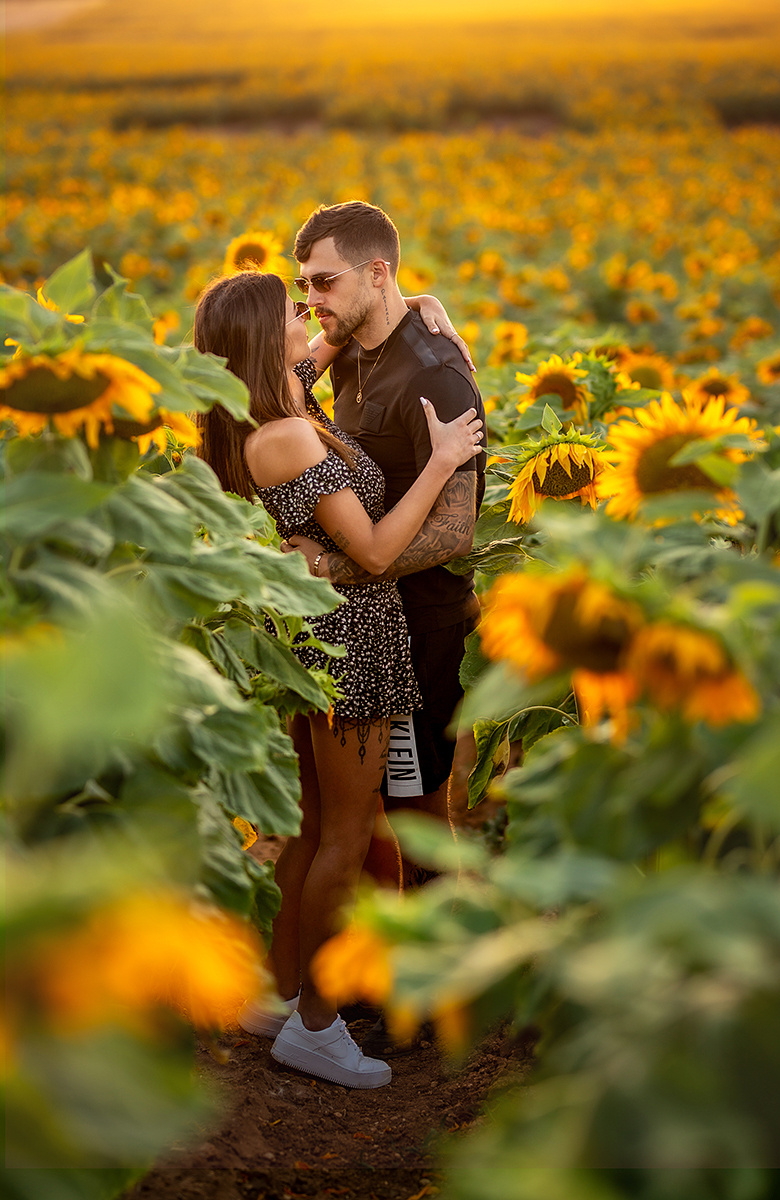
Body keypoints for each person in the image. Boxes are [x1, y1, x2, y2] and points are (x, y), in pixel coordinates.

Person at [193, 269, 483, 1089]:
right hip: (347, 646)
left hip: (318, 639)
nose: (308, 314)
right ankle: (317, 1025)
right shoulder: (285, 435)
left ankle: (283, 992)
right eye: (293, 309)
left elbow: (330, 338)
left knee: (317, 829)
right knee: (346, 835)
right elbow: (379, 552)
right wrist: (445, 459)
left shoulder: (275, 406)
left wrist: (429, 310)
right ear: (261, 339)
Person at [284, 202, 487, 1056]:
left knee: (420, 807)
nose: (311, 302)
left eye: (324, 283)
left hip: (422, 623)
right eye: (302, 288)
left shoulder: (434, 376)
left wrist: (341, 565)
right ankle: (388, 973)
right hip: (366, 629)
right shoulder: (354, 354)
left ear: (376, 272)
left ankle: (450, 996)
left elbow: (456, 531)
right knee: (366, 815)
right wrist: (327, 334)